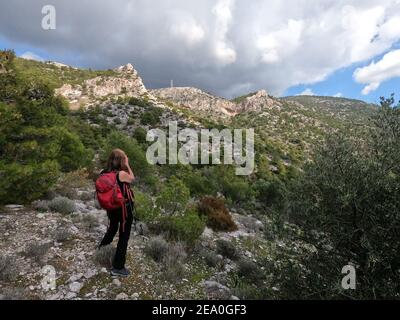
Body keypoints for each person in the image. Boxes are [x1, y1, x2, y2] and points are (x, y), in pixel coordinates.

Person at [98, 149, 135, 277]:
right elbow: (132, 178)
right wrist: (128, 164)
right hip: (124, 210)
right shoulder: (122, 174)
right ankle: (118, 267)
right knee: (124, 236)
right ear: (121, 160)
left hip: (111, 208)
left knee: (112, 228)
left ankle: (101, 249)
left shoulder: (103, 172)